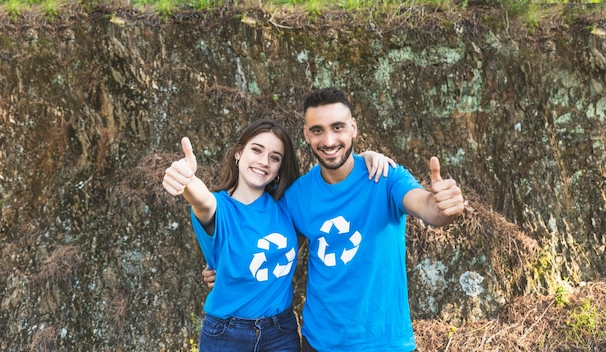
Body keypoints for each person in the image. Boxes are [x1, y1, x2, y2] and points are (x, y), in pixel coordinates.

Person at [204, 88, 464, 351]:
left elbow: (426, 208)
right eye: (317, 130)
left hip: (384, 342)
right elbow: (273, 248)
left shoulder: (385, 178)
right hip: (319, 342)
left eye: (338, 127)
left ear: (353, 128)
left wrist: (441, 206)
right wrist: (227, 271)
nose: (328, 140)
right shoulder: (297, 196)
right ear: (306, 134)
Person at [163, 119, 394, 352]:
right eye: (256, 150)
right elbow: (201, 200)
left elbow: (332, 180)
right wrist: (188, 179)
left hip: (280, 333)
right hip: (227, 335)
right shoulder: (219, 207)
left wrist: (365, 157)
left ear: (278, 169)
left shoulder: (289, 207)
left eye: (275, 157)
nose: (264, 162)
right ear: (238, 153)